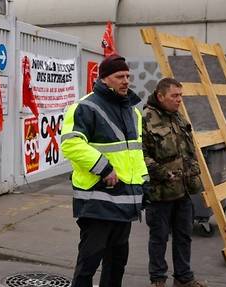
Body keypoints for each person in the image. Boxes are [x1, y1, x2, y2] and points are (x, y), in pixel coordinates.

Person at [61, 54, 148, 287]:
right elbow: (71, 143)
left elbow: (135, 153)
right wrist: (104, 168)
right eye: (119, 76)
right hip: (97, 198)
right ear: (104, 79)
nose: (126, 81)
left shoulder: (133, 112)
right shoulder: (85, 106)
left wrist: (144, 184)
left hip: (125, 198)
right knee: (89, 262)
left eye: (127, 76)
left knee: (117, 262)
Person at [142, 78, 208, 287]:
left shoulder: (178, 117)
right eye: (175, 96)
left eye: (181, 95)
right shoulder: (145, 118)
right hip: (160, 192)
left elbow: (186, 148)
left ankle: (183, 278)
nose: (179, 100)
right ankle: (158, 280)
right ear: (161, 96)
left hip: (184, 190)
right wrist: (162, 172)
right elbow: (139, 154)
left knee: (184, 237)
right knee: (159, 239)